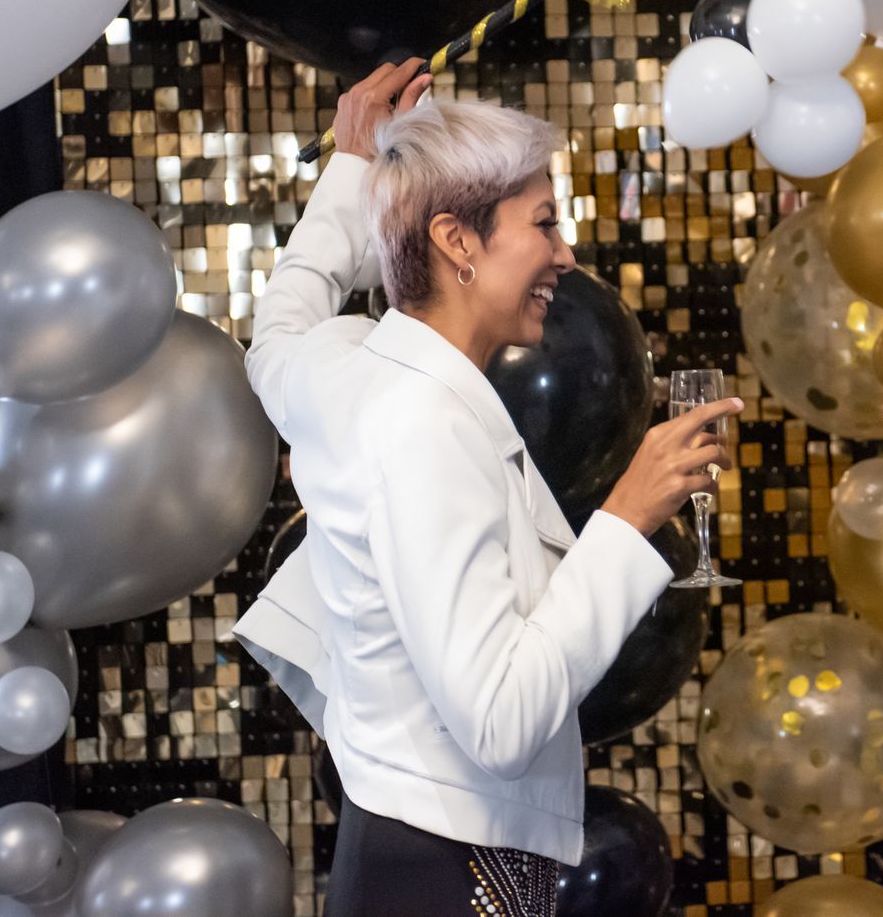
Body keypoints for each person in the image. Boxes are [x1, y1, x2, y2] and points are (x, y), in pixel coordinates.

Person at [232, 61, 738, 917]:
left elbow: (276, 332)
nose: (565, 255)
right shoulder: (425, 423)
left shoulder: (343, 368)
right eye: (543, 223)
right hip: (451, 875)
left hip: (398, 850)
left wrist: (353, 168)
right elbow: (500, 722)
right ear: (457, 241)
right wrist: (627, 516)